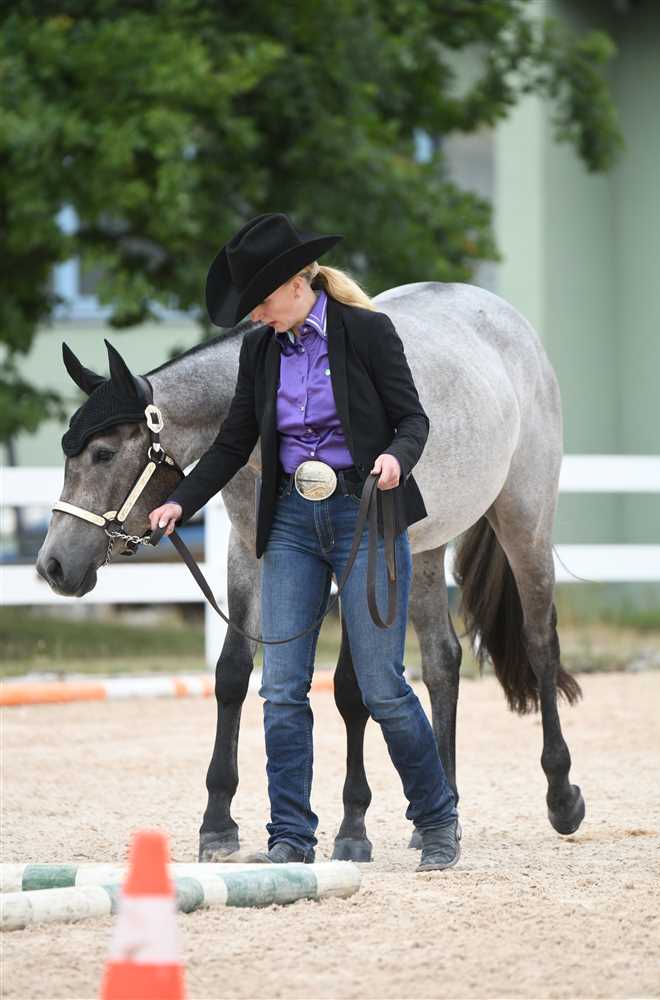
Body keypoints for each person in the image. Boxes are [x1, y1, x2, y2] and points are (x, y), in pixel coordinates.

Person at [149, 212, 460, 871]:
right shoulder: (261, 351)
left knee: (382, 686)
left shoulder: (367, 332)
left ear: (297, 283)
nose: (255, 315)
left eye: (260, 301)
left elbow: (412, 419)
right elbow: (233, 443)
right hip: (291, 520)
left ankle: (437, 819)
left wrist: (397, 457)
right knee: (282, 688)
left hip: (364, 514)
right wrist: (180, 501)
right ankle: (290, 836)